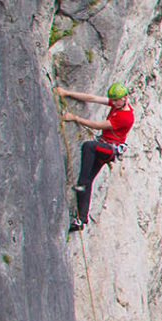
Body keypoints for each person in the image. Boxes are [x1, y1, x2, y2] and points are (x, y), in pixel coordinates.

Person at [57, 82, 134, 232]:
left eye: (117, 100)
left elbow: (98, 125)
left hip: (109, 149)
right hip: (104, 147)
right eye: (113, 100)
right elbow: (92, 98)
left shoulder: (126, 117)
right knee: (86, 180)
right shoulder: (116, 104)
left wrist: (75, 118)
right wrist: (66, 93)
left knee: (89, 146)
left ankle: (81, 186)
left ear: (125, 97)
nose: (114, 102)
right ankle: (81, 220)